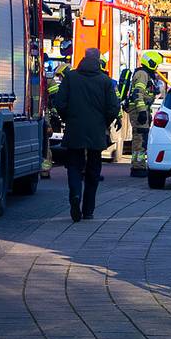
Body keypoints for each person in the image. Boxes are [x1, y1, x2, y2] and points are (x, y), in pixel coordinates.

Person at [51, 48, 120, 222]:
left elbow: (59, 102)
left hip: (74, 130)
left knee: (73, 167)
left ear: (83, 58)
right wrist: (104, 123)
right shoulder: (105, 81)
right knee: (93, 171)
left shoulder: (71, 78)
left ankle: (75, 195)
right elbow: (113, 107)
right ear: (98, 60)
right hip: (96, 132)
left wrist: (68, 118)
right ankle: (88, 210)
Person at [126, 50, 164, 176]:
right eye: (156, 65)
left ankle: (139, 165)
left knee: (142, 139)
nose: (157, 67)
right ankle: (138, 167)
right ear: (151, 63)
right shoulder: (142, 74)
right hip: (138, 110)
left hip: (142, 109)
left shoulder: (146, 74)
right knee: (140, 139)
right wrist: (142, 111)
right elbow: (138, 93)